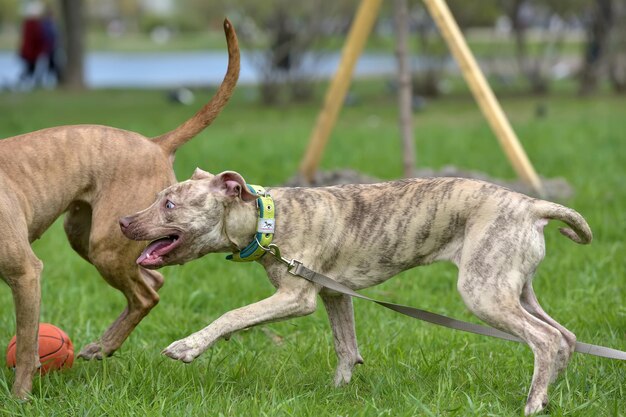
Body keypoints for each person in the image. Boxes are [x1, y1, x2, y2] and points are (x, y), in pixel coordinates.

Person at [18, 2, 45, 89]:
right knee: (30, 68)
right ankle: (25, 83)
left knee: (30, 68)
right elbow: (36, 38)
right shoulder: (34, 25)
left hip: (29, 52)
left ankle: (27, 83)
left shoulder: (27, 24)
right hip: (32, 52)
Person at [40, 6, 60, 85]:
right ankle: (52, 80)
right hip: (49, 49)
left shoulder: (50, 24)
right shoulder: (48, 25)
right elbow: (49, 36)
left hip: (50, 49)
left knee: (50, 66)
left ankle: (48, 81)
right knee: (51, 65)